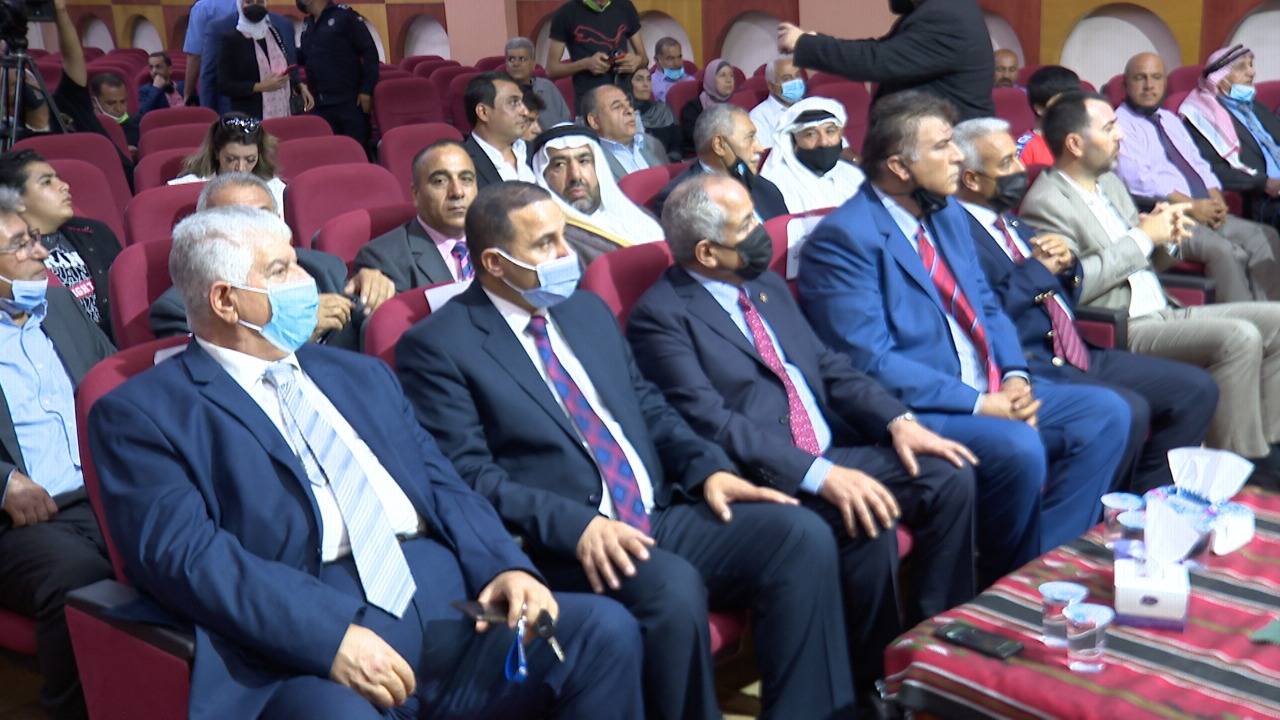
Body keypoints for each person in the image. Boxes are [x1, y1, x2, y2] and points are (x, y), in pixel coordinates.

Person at [90, 204, 644, 720]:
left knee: (602, 632)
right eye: (281, 269)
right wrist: (326, 637)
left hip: (453, 605)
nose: (308, 280)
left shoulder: (359, 375)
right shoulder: (142, 414)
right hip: (304, 642)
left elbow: (442, 484)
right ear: (226, 301)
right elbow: (187, 558)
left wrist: (505, 566)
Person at [396, 181, 856, 720]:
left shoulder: (584, 311)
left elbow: (649, 408)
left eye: (563, 236)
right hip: (569, 539)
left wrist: (708, 470)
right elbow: (471, 477)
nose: (566, 254)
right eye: (545, 244)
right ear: (495, 263)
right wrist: (579, 527)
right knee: (672, 589)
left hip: (655, 509)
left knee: (799, 535)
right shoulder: (440, 347)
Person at [628, 173, 978, 699]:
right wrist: (820, 475)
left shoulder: (763, 286)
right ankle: (874, 685)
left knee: (948, 473)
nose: (760, 230)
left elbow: (826, 366)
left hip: (830, 450)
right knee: (865, 522)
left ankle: (935, 645)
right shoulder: (661, 317)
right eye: (745, 224)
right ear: (706, 251)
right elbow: (711, 421)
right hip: (769, 475)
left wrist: (897, 421)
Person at [798, 90, 1129, 585]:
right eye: (942, 146)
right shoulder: (845, 239)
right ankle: (1005, 581)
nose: (957, 155)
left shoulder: (947, 215)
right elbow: (869, 360)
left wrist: (1014, 376)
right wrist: (980, 404)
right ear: (899, 167)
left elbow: (986, 306)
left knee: (1106, 414)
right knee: (1019, 447)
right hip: (920, 408)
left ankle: (1041, 564)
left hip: (989, 385)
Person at [953, 118, 1218, 493]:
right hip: (1029, 362)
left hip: (1074, 349)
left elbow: (1064, 293)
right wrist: (1038, 270)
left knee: (1196, 389)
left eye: (1016, 158)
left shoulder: (1013, 225)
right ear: (972, 179)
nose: (1019, 170)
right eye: (1007, 163)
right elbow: (982, 315)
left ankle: (1147, 499)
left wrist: (1066, 267)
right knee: (1130, 408)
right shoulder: (956, 235)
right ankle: (1105, 510)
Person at [1020, 91, 1280, 468]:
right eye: (1109, 128)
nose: (1120, 135)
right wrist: (1143, 237)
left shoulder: (1110, 184)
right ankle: (1235, 463)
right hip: (1120, 324)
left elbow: (1147, 261)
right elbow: (1072, 285)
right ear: (1075, 143)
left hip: (1163, 308)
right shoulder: (1046, 203)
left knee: (1276, 319)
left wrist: (1165, 238)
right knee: (1240, 337)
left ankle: (1269, 444)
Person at [0, 188, 115, 720]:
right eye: (21, 245)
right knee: (81, 579)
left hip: (102, 493)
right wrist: (3, 482)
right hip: (22, 521)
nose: (42, 253)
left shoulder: (61, 307)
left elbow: (114, 383)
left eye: (35, 239)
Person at [150, 173, 393, 349]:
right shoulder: (180, 308)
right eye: (236, 220)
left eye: (264, 216)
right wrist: (293, 334)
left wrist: (373, 292)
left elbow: (363, 335)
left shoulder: (324, 268)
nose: (257, 229)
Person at [1117, 51, 1280, 303]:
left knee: (1264, 237)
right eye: (1141, 78)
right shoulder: (1120, 124)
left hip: (1201, 207)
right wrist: (1193, 207)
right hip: (1164, 217)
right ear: (1126, 84)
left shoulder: (1169, 119)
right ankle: (1244, 320)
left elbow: (1198, 164)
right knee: (1224, 250)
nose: (1149, 85)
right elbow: (1140, 181)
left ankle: (1271, 316)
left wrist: (1215, 198)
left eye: (1156, 77)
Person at [777, 0, 995, 121]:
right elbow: (884, 49)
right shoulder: (942, 9)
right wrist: (817, 40)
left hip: (948, 153)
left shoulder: (943, 14)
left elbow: (878, 61)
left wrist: (805, 44)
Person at [0, 150, 121, 341]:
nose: (64, 186)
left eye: (58, 178)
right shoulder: (11, 259)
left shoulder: (95, 233)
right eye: (47, 182)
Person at [13, 0, 133, 175]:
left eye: (25, 78)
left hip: (119, 181)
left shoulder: (68, 100)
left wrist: (61, 12)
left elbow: (72, 58)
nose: (22, 85)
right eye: (11, 85)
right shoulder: (12, 133)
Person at [530, 125, 663, 264]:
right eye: (560, 165)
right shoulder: (555, 243)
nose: (575, 175)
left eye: (583, 161)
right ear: (543, 175)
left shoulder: (639, 215)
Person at [355, 141, 478, 290]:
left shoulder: (498, 238)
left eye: (466, 179)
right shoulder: (383, 260)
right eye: (440, 181)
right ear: (415, 194)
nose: (457, 192)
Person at [1180, 45, 1280, 229]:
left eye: (1251, 65)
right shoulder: (1203, 119)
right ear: (1219, 78)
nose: (1252, 72)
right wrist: (1264, 183)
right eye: (1241, 67)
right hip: (1262, 197)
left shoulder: (1253, 107)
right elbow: (1213, 169)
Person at [653, 104, 789, 221]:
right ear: (719, 145)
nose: (760, 148)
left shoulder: (765, 188)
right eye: (750, 138)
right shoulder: (679, 201)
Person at [760, 97, 867, 214]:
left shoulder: (851, 172)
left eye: (830, 131)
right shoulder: (779, 185)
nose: (823, 142)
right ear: (793, 142)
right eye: (810, 134)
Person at [297, 0, 380, 148]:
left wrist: (367, 90)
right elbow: (306, 56)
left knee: (356, 150)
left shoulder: (344, 16)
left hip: (349, 102)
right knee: (327, 152)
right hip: (319, 105)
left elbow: (370, 53)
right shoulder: (308, 23)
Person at [215, 0, 313, 119]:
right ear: (240, 5)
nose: (255, 5)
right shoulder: (231, 40)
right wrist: (260, 86)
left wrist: (299, 85)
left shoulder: (273, 32)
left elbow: (286, 65)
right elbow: (224, 85)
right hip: (250, 116)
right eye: (249, 2)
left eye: (260, 2)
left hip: (283, 110)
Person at [170, 113, 287, 213]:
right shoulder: (182, 188)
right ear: (216, 152)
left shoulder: (274, 187)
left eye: (250, 160)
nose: (241, 168)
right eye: (231, 159)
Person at [545, 0, 646, 109]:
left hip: (625, 104)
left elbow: (644, 59)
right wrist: (585, 64)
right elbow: (551, 70)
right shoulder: (565, 13)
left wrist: (637, 61)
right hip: (591, 108)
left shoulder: (625, 6)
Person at [461, 72, 536, 188]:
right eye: (514, 103)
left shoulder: (537, 151)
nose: (525, 112)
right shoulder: (461, 162)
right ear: (483, 112)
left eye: (522, 103)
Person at [580, 84, 667, 181]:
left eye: (629, 105)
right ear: (594, 121)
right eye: (617, 107)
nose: (630, 110)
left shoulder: (651, 143)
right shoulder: (589, 162)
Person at [1017, 65, 1080, 170]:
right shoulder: (1027, 147)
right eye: (1062, 102)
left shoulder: (1078, 138)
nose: (1072, 107)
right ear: (1040, 108)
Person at [504, 37, 572, 129]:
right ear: (506, 64)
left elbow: (566, 120)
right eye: (511, 59)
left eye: (522, 59)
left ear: (533, 64)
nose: (516, 63)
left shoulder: (547, 87)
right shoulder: (501, 92)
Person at [182, 0, 238, 105]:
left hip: (217, 84)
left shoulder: (202, 7)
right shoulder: (249, 3)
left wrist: (187, 93)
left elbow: (195, 56)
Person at [680, 58, 735, 157]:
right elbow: (695, 138)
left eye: (731, 75)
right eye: (722, 75)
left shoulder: (736, 105)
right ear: (711, 79)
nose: (728, 80)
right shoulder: (693, 108)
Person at [750, 55, 807, 150]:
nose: (795, 82)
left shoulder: (810, 105)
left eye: (797, 75)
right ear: (771, 86)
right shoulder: (758, 118)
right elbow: (765, 156)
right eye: (786, 79)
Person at [627, 66, 680, 162]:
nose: (646, 84)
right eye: (639, 79)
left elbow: (677, 146)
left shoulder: (662, 110)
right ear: (627, 84)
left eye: (649, 79)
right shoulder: (624, 115)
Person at [89, 73, 139, 149]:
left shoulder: (135, 127)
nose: (119, 109)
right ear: (94, 102)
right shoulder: (86, 129)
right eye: (111, 103)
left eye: (122, 102)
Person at [138, 52, 185, 117]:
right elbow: (144, 114)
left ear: (170, 69)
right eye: (151, 67)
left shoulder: (183, 86)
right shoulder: (145, 90)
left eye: (158, 67)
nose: (154, 71)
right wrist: (156, 88)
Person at [649, 36, 687, 102]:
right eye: (670, 59)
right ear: (657, 60)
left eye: (679, 57)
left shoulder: (688, 78)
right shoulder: (650, 85)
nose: (677, 63)